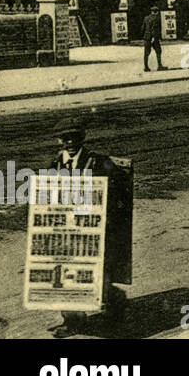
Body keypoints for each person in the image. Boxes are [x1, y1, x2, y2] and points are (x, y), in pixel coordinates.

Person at [49, 118, 131, 335]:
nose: (70, 143)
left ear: (82, 138)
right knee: (65, 272)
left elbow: (119, 191)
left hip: (94, 228)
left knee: (95, 273)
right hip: (67, 228)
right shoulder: (55, 164)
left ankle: (115, 301)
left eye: (74, 137)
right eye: (65, 138)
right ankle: (72, 321)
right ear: (59, 140)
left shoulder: (97, 162)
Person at [142, 5, 164, 71]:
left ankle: (146, 67)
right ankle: (159, 66)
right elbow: (154, 29)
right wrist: (153, 38)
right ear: (156, 12)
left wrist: (144, 36)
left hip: (146, 37)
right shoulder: (156, 19)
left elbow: (143, 28)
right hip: (153, 38)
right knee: (158, 51)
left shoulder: (146, 18)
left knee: (146, 53)